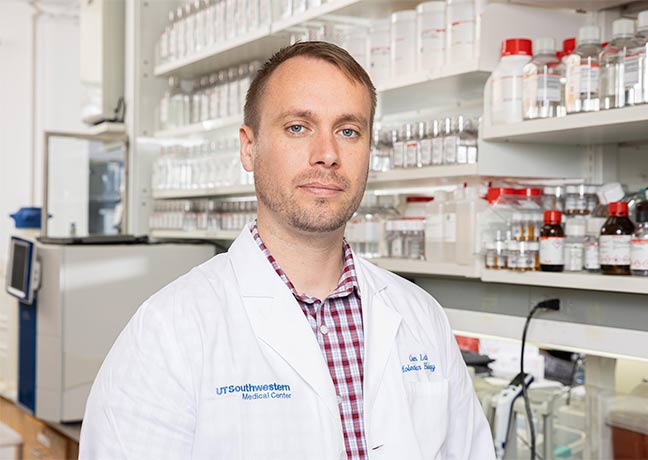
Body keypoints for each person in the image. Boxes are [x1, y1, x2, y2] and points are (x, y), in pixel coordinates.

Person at [80, 41, 495, 460]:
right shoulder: (169, 330)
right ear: (248, 147)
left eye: (348, 131)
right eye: (298, 127)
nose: (328, 155)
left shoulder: (421, 317)